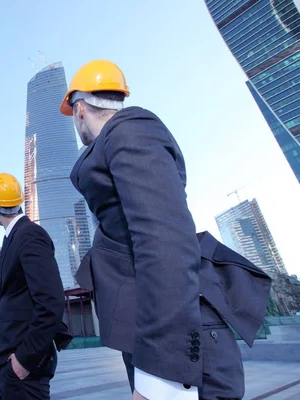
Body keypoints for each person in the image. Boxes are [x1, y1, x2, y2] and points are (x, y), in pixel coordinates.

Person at [61, 60, 271, 400]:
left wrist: (159, 375)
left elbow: (166, 241)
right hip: (156, 328)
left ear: (80, 108)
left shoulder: (131, 130)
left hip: (174, 341)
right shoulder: (122, 138)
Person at [0, 172, 72, 400]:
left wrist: (24, 359)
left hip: (25, 368)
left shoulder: (30, 235)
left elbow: (51, 301)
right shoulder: (15, 236)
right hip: (15, 365)